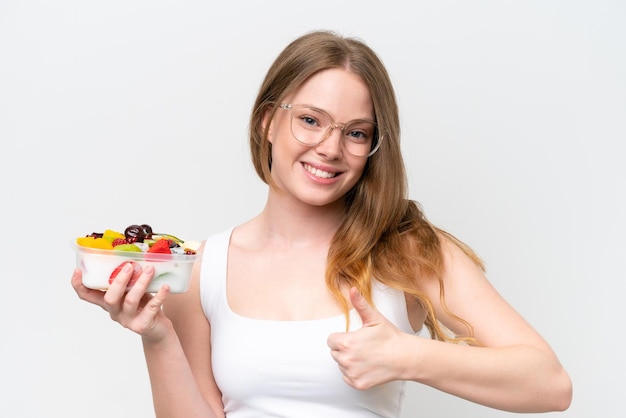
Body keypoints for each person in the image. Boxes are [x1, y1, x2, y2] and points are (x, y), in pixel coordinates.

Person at [71, 30, 572, 417]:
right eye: (310, 120)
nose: (330, 148)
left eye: (356, 132)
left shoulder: (406, 250)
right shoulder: (203, 268)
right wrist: (157, 336)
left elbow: (549, 383)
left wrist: (407, 357)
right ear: (267, 121)